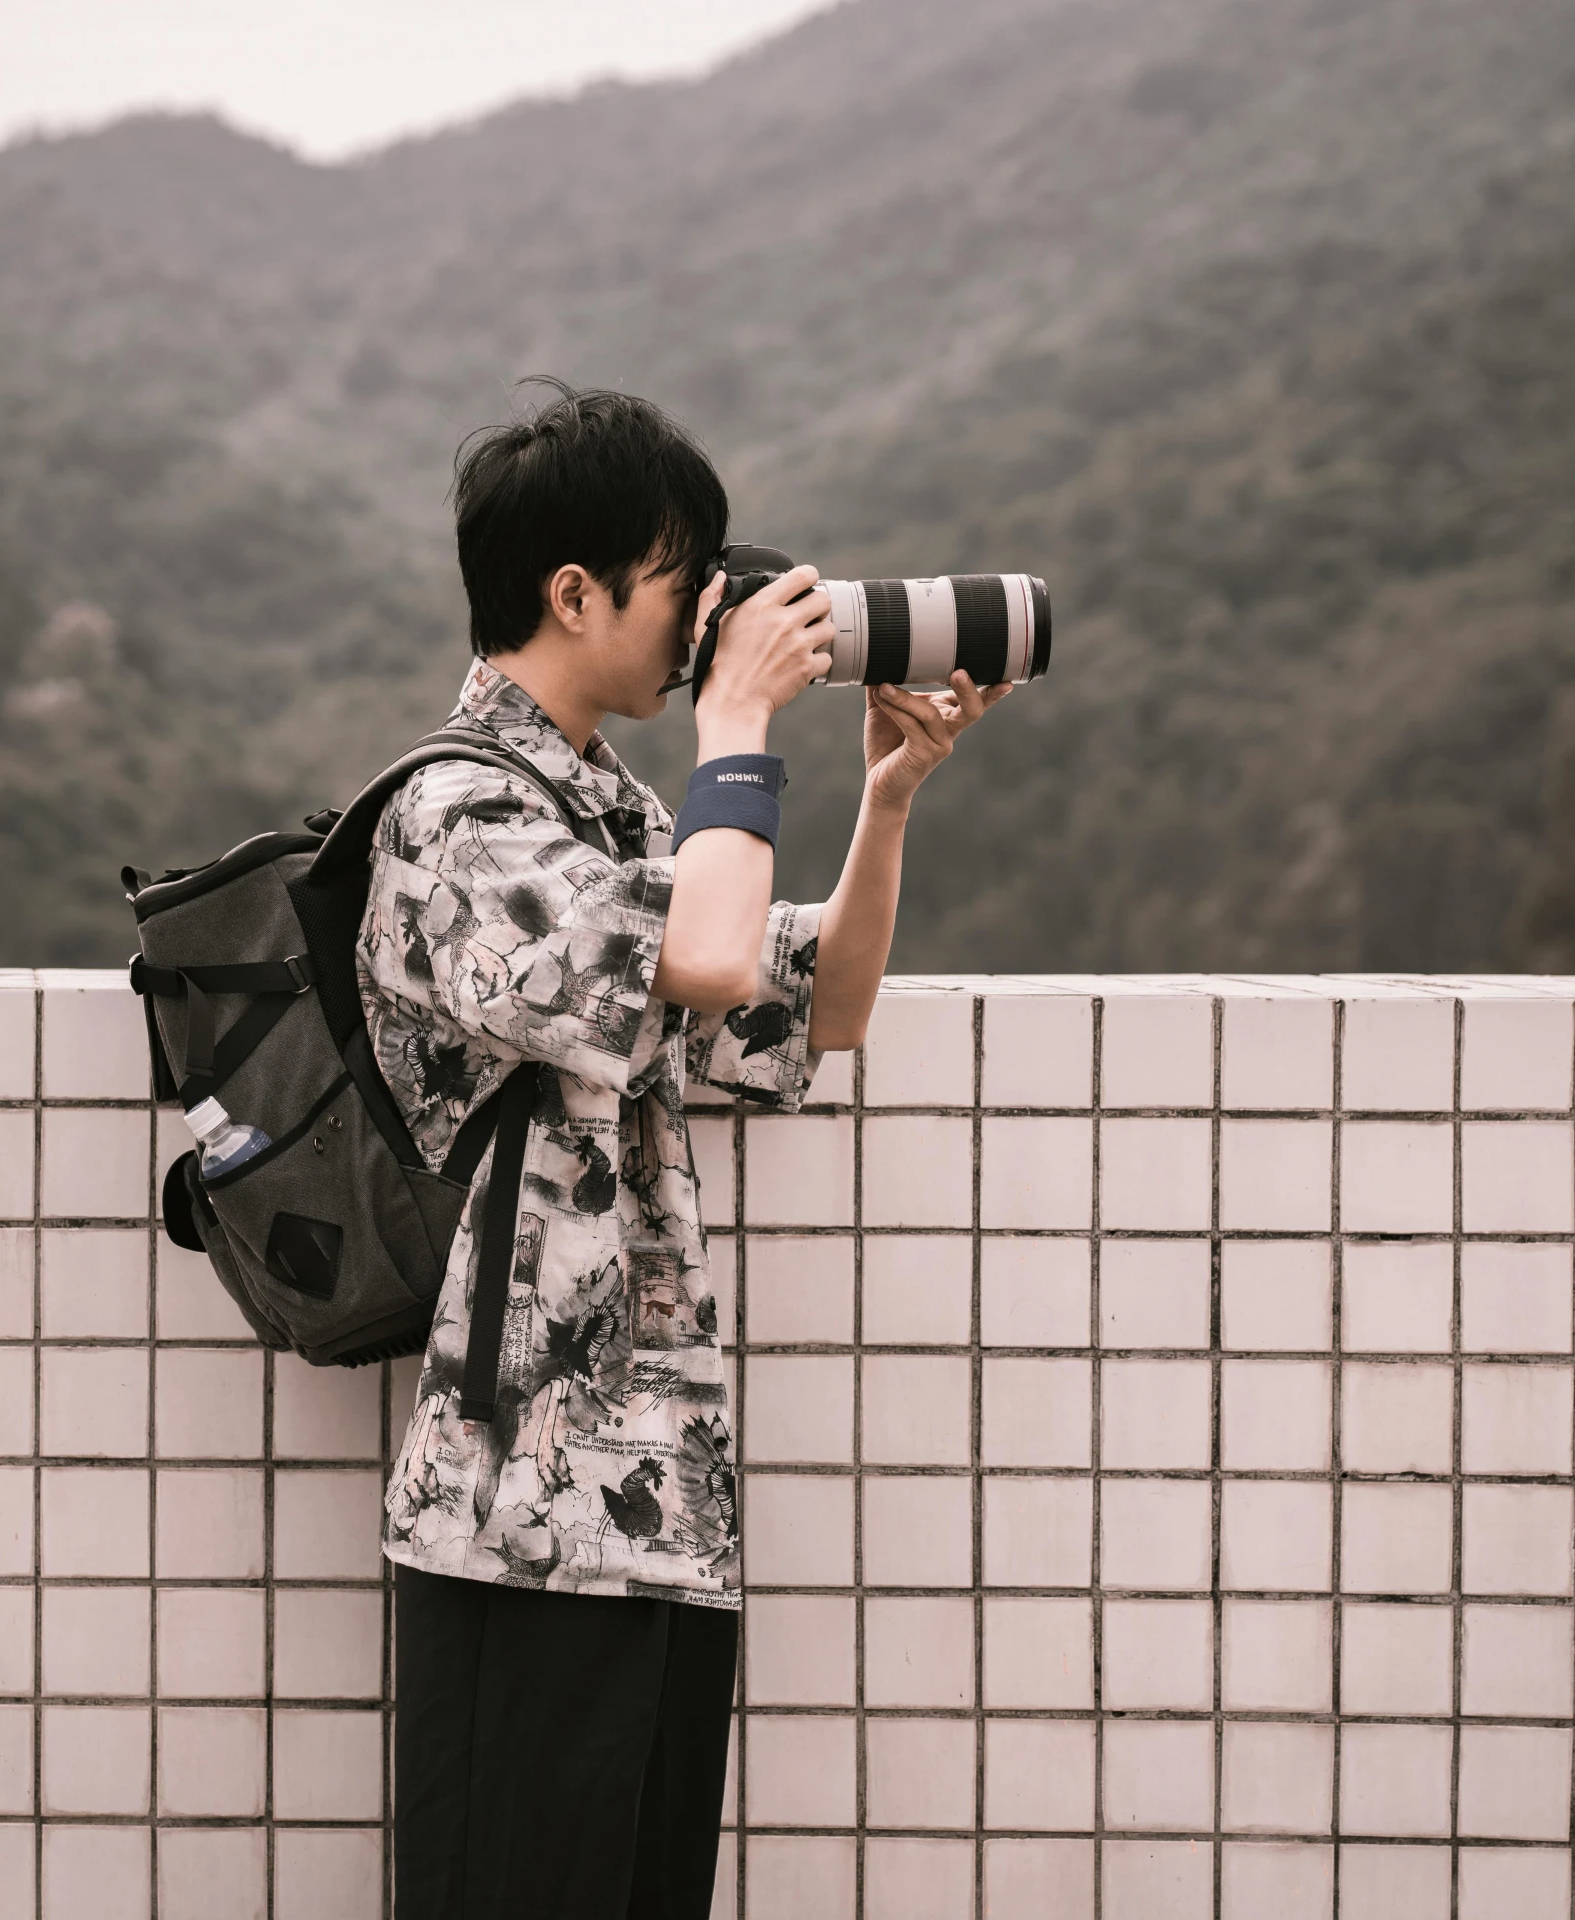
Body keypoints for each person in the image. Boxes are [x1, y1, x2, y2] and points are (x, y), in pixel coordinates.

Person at [358, 381, 1008, 1920]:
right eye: (681, 583)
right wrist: (736, 721)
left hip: (656, 1487)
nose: (706, 619)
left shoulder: (617, 819)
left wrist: (891, 795)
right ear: (573, 593)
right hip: (520, 1515)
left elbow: (814, 1009)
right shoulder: (459, 820)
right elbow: (709, 961)